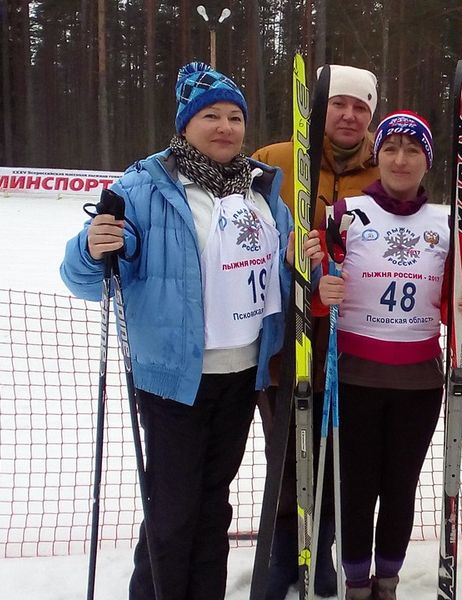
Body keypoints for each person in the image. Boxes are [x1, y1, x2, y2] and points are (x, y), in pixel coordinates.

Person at [60, 62, 292, 600]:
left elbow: (281, 274)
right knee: (172, 510)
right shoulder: (144, 188)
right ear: (185, 123)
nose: (225, 127)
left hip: (242, 373)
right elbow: (84, 278)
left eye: (235, 117)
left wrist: (306, 262)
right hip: (173, 380)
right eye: (211, 116)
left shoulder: (262, 193)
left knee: (214, 505)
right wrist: (93, 248)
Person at [303, 111, 462, 600]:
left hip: (418, 382)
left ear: (427, 161)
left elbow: (454, 301)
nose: (401, 160)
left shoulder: (447, 221)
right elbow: (314, 295)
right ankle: (356, 583)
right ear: (376, 156)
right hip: (354, 378)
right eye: (390, 149)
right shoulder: (345, 213)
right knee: (356, 489)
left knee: (401, 488)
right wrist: (320, 286)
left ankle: (387, 582)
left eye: (413, 150)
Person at [250, 64, 380, 599]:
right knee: (285, 452)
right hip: (284, 338)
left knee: (335, 451)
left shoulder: (384, 169)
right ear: (318, 109)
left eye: (360, 107)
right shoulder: (274, 159)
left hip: (350, 342)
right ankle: (284, 550)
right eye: (338, 104)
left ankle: (320, 546)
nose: (348, 116)